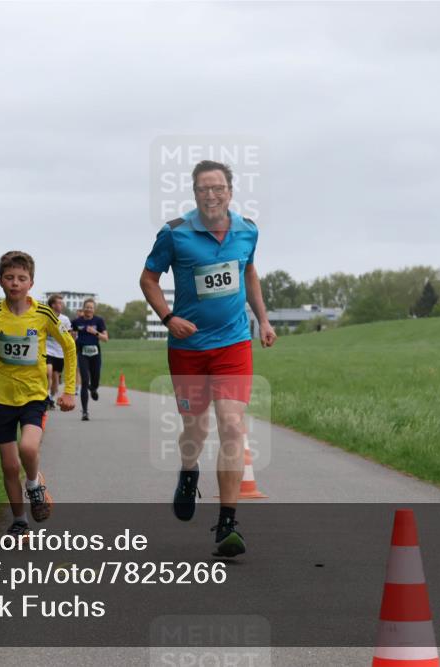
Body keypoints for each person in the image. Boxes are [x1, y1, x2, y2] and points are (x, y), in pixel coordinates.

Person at [140, 159, 276, 558]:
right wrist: (168, 318)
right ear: (195, 193)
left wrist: (263, 320)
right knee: (195, 430)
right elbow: (148, 278)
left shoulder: (248, 230)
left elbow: (249, 272)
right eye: (204, 189)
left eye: (219, 188)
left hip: (233, 345)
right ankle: (188, 471)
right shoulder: (175, 233)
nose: (212, 195)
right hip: (188, 350)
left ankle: (227, 524)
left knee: (233, 426)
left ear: (230, 192)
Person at [0, 251, 77, 538]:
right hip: (1, 398)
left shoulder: (43, 315)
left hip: (33, 396)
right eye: (9, 278)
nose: (15, 283)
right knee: (8, 465)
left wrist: (69, 390)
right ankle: (20, 521)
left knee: (28, 449)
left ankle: (34, 485)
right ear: (0, 281)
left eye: (21, 278)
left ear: (31, 282)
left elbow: (69, 347)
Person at [70, 299, 108, 421]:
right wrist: (72, 336)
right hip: (82, 354)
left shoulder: (99, 321)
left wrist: (95, 332)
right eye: (87, 307)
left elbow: (105, 338)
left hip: (96, 354)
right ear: (83, 308)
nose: (88, 309)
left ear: (94, 309)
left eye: (91, 307)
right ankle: (85, 412)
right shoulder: (76, 322)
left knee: (95, 379)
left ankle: (94, 389)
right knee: (85, 381)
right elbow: (71, 336)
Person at [44, 294, 73, 410]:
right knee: (48, 372)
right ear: (52, 305)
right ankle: (45, 395)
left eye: (61, 303)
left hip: (59, 352)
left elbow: (69, 336)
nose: (60, 305)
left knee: (56, 378)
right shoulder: (45, 317)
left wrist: (72, 339)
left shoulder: (65, 320)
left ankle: (51, 397)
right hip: (47, 349)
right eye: (58, 303)